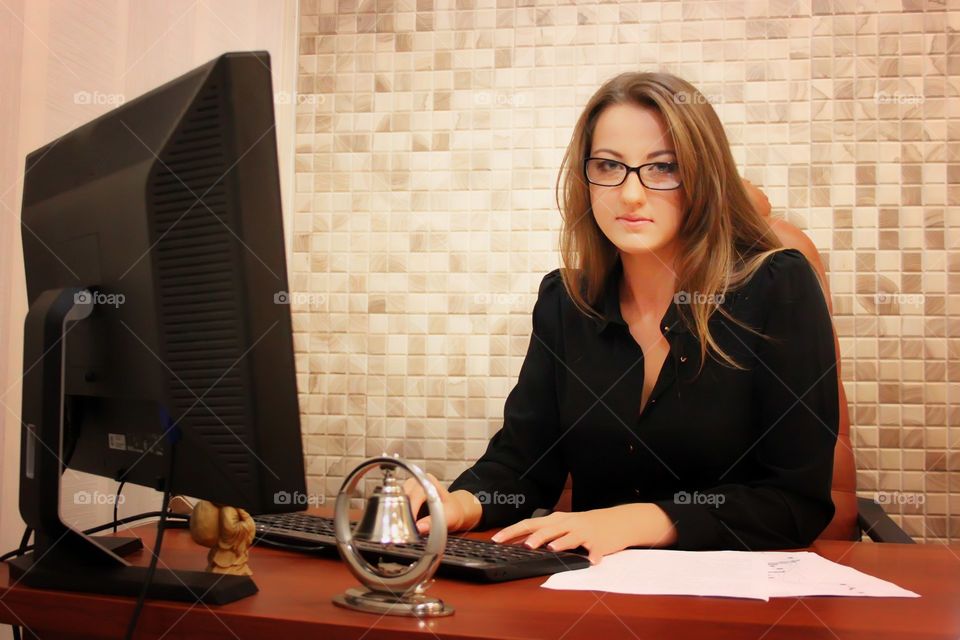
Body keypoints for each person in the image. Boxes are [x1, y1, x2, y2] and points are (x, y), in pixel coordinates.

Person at [403, 72, 839, 564]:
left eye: (663, 167)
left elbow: (795, 502)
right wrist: (461, 504)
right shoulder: (567, 301)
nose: (631, 194)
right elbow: (525, 463)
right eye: (609, 166)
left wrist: (635, 520)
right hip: (594, 589)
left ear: (704, 176)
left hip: (738, 601)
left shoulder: (776, 287)